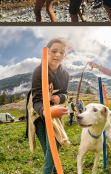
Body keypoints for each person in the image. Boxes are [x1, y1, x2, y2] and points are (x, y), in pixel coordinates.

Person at [27, 38, 70, 174]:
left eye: (61, 52)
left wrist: (60, 98)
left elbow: (65, 94)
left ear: (65, 55)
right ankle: (56, 171)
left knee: (54, 144)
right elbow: (37, 100)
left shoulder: (65, 74)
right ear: (47, 52)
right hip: (38, 111)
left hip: (55, 110)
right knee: (47, 148)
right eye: (54, 51)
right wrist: (46, 112)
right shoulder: (38, 71)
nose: (57, 55)